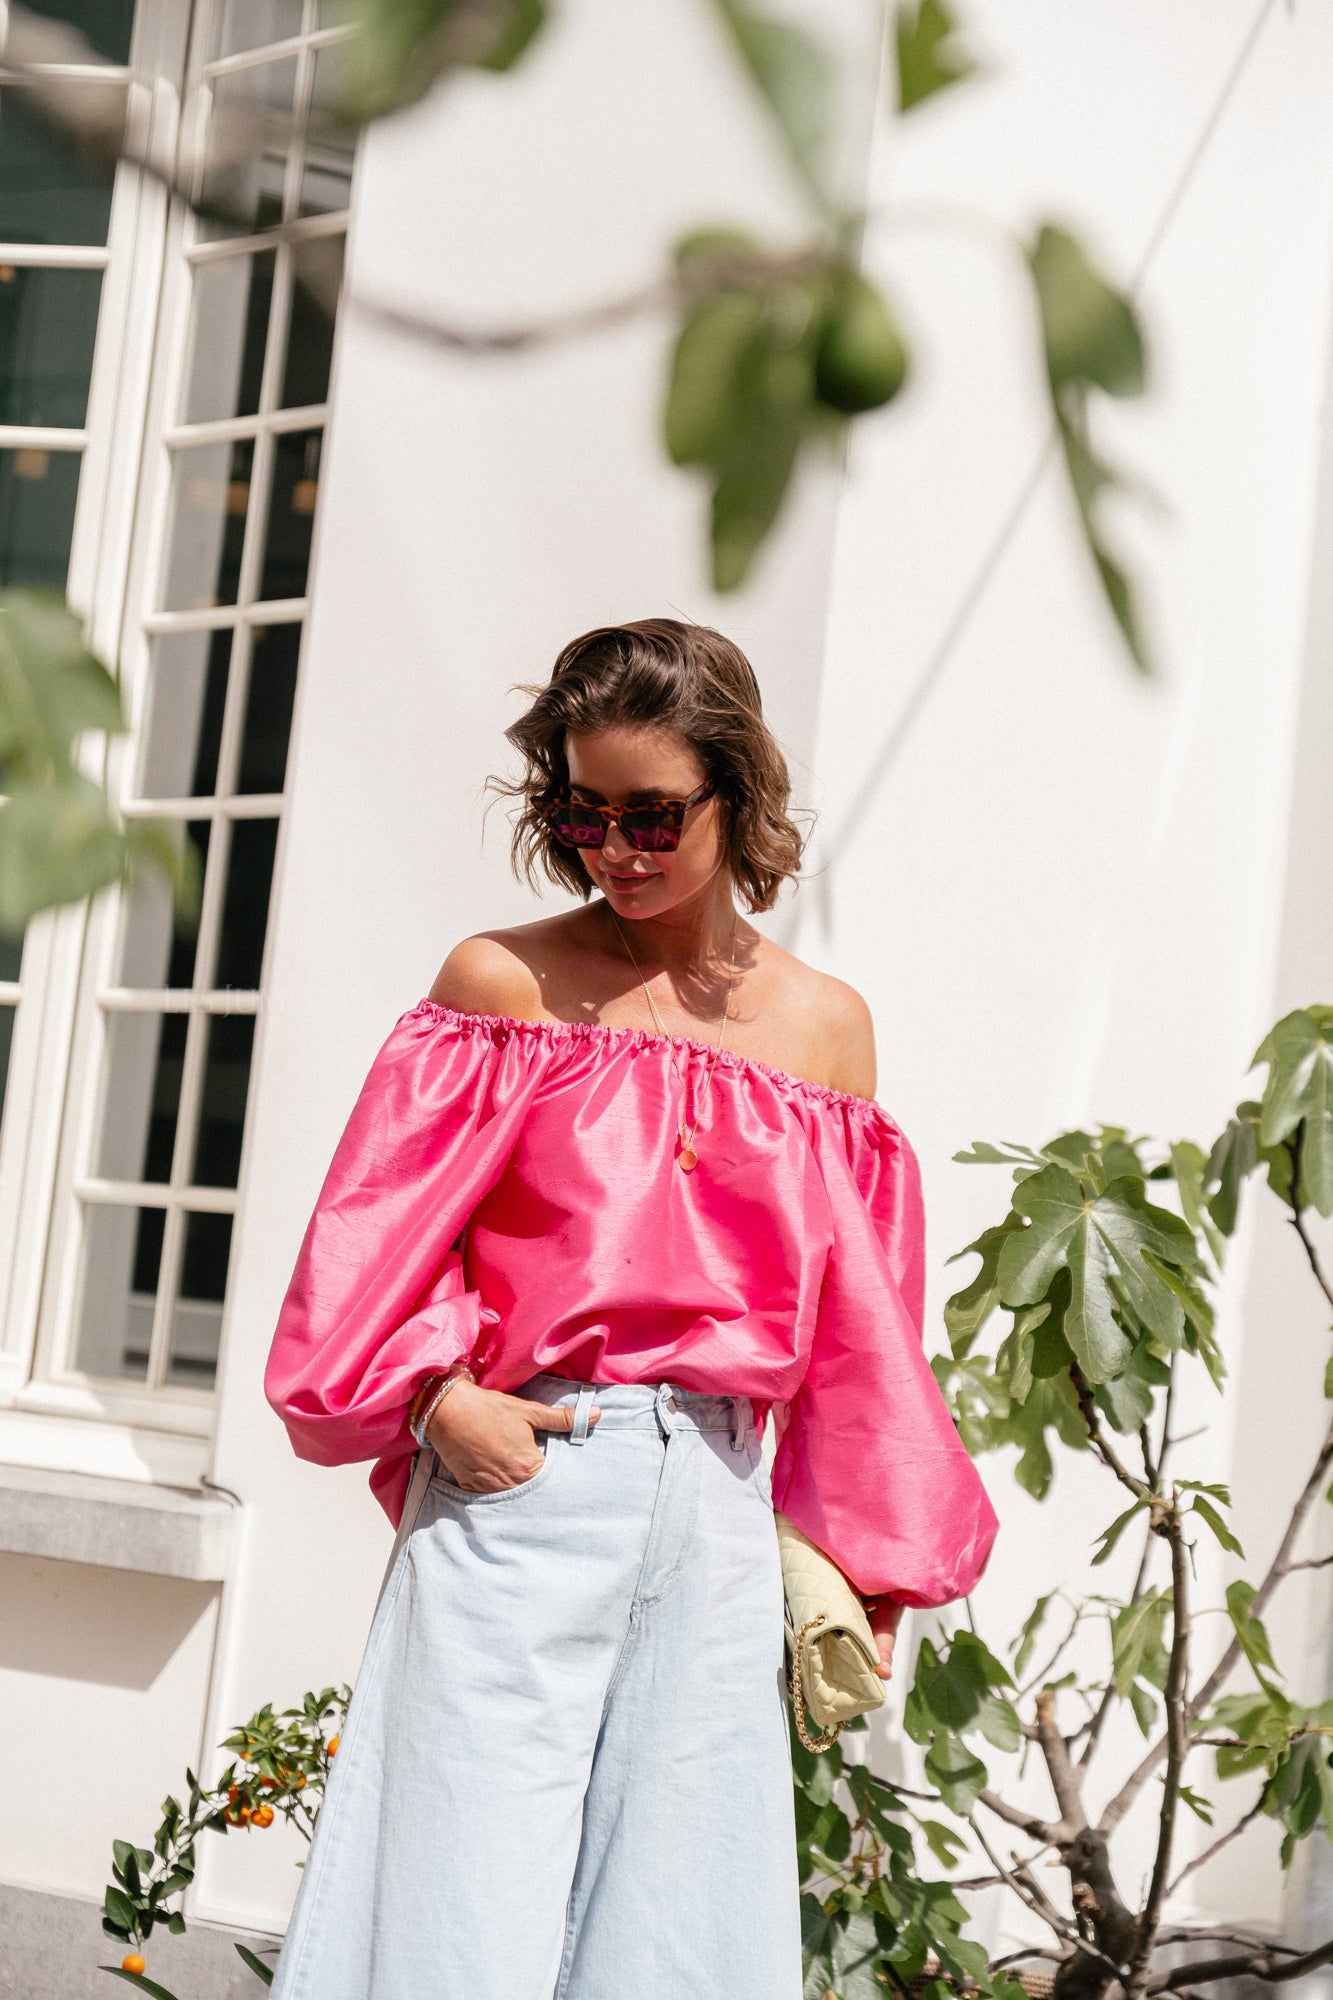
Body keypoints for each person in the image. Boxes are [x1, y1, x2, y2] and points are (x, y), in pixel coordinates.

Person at [264, 618, 997, 2000]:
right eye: (580, 811)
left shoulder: (824, 1029)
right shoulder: (505, 985)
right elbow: (366, 1249)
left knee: (685, 1935)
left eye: (652, 813)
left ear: (737, 788)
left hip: (716, 1500)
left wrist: (867, 1556)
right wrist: (436, 1400)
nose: (616, 848)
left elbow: (861, 1326)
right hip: (527, 1482)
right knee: (445, 1903)